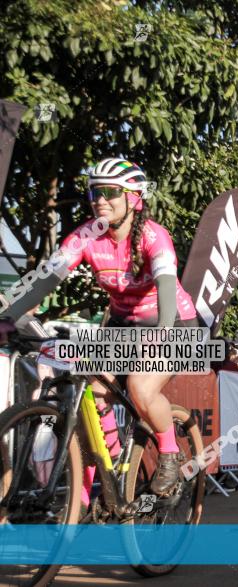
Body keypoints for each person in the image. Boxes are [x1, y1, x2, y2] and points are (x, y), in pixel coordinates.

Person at [0, 158, 198, 501]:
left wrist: (163, 332)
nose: (100, 200)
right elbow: (44, 281)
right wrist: (8, 317)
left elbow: (167, 287)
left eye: (110, 192)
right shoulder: (86, 236)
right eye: (94, 192)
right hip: (123, 325)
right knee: (90, 391)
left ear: (134, 198)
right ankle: (104, 477)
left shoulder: (154, 236)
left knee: (140, 385)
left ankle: (169, 453)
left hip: (174, 322)